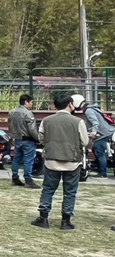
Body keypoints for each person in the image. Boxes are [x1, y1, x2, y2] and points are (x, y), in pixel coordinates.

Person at [32, 93, 89, 230]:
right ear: (70, 105)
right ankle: (66, 220)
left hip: (51, 160)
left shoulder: (46, 120)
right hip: (72, 161)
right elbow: (85, 141)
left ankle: (43, 217)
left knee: (48, 189)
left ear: (55, 106)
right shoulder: (78, 122)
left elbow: (41, 138)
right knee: (70, 191)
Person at [9, 94, 40, 188]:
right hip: (28, 139)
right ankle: (28, 180)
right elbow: (32, 129)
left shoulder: (12, 112)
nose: (32, 105)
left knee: (17, 159)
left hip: (17, 139)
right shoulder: (28, 113)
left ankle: (15, 177)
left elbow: (10, 125)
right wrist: (38, 138)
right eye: (31, 102)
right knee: (29, 160)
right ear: (26, 102)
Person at [79, 95, 114, 178]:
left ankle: (103, 174)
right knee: (96, 150)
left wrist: (93, 132)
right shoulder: (93, 109)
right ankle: (100, 170)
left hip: (102, 134)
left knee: (99, 152)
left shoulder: (89, 111)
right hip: (106, 132)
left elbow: (95, 122)